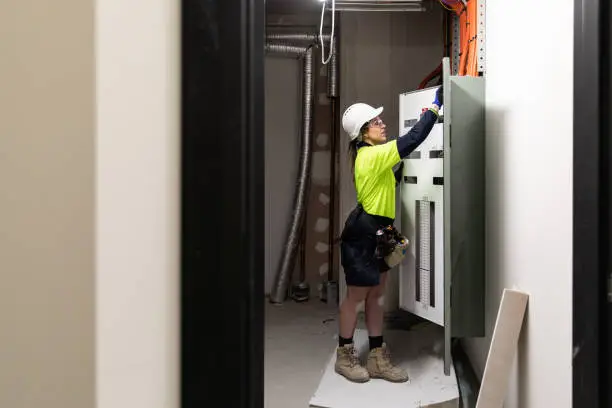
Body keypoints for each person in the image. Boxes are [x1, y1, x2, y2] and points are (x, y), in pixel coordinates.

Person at [335, 86, 444, 383]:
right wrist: (434, 109)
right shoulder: (371, 156)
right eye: (376, 122)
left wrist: (400, 174)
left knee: (377, 295)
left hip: (379, 232)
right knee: (356, 296)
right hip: (363, 234)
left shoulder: (374, 156)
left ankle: (376, 357)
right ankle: (344, 356)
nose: (382, 124)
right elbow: (412, 140)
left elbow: (386, 181)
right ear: (363, 133)